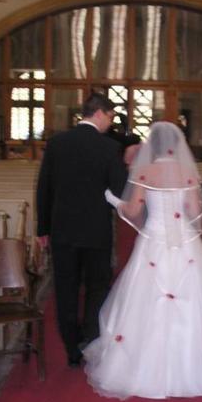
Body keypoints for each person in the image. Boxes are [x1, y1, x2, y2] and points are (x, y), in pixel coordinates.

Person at [83, 121, 202, 399]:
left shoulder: (145, 171)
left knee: (143, 300)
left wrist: (113, 200)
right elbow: (195, 210)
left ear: (152, 146)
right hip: (186, 243)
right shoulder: (187, 172)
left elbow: (133, 211)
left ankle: (143, 370)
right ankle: (194, 369)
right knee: (193, 300)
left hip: (153, 241)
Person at [36, 92, 127, 368]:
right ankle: (91, 339)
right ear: (98, 113)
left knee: (65, 288)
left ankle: (71, 348)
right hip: (96, 230)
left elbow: (44, 188)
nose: (111, 122)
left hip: (63, 229)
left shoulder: (57, 143)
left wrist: (43, 228)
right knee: (97, 286)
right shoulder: (109, 147)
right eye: (110, 116)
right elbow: (119, 190)